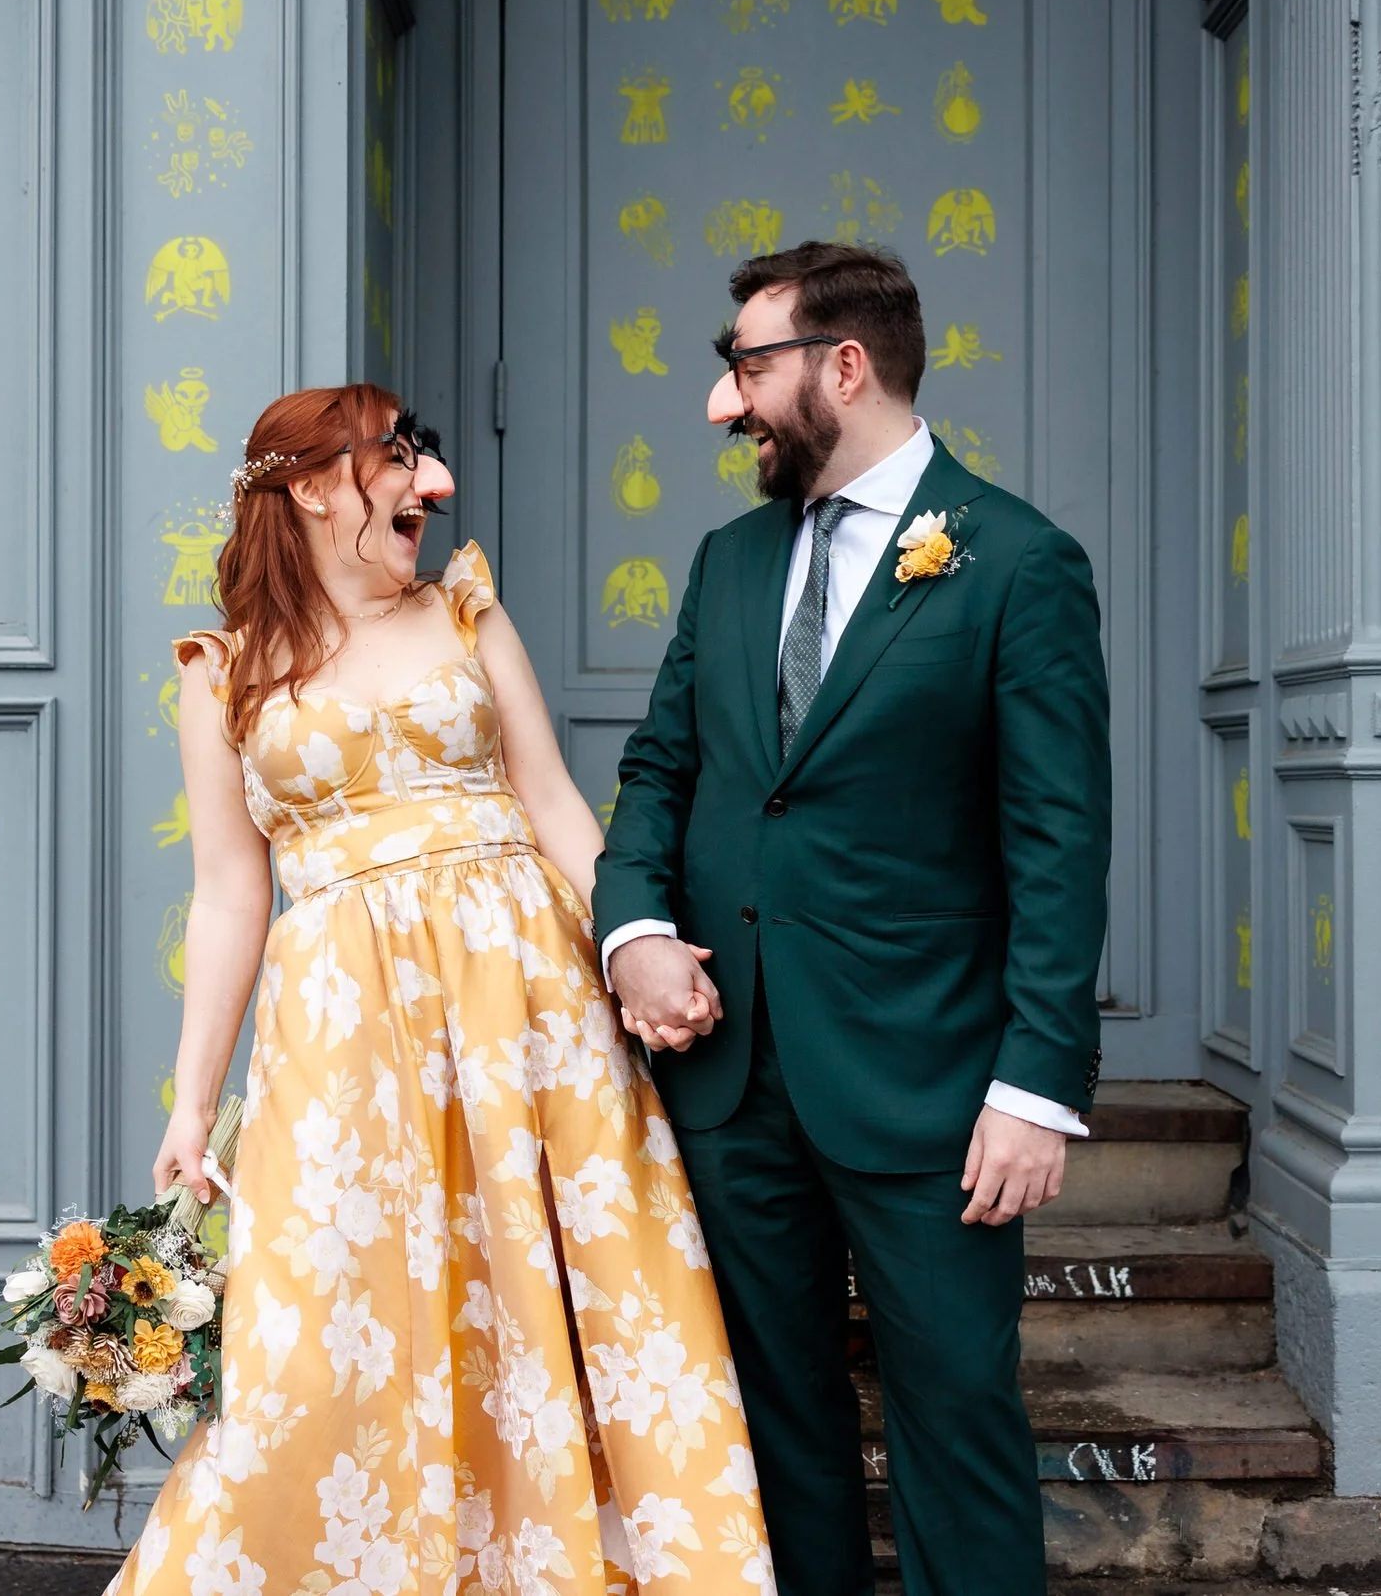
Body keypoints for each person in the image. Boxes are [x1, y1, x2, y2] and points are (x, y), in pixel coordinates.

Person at [105, 384, 771, 1595]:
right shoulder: (223, 671)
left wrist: (639, 945)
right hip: (346, 1028)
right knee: (326, 1324)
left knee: (563, 1297)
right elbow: (228, 895)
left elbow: (554, 801)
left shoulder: (466, 610)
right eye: (401, 457)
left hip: (529, 1003)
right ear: (313, 486)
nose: (437, 484)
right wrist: (191, 1105)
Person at [595, 242, 1112, 1595]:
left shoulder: (1018, 561)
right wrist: (632, 928)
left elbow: (1059, 841)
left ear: (843, 365)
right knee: (773, 1426)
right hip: (731, 1074)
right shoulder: (726, 562)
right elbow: (661, 771)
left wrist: (1037, 1087)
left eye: (744, 366)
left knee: (957, 1415)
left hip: (930, 1082)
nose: (723, 404)